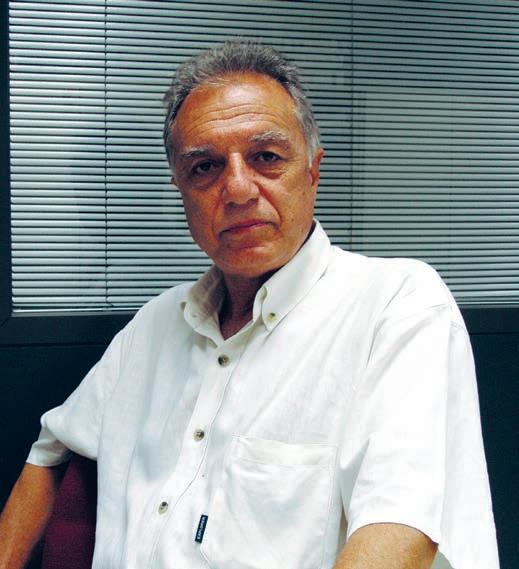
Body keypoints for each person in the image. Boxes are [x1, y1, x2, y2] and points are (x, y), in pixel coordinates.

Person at [0, 41, 499, 569]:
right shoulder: (153, 326)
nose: (238, 190)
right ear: (181, 192)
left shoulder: (396, 304)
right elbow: (51, 450)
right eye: (204, 167)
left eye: (266, 157)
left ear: (313, 171)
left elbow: (400, 533)